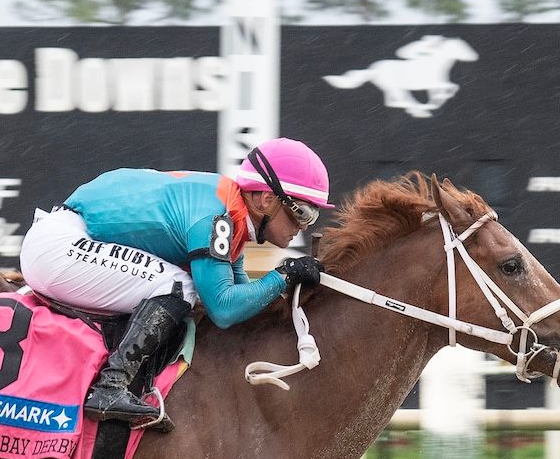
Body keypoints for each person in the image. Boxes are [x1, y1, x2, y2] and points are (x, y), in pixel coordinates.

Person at [18, 137, 332, 430]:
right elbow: (223, 308)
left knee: (179, 286)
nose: (301, 227)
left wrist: (283, 284)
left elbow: (243, 302)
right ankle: (110, 386)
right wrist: (284, 275)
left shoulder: (230, 214)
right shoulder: (216, 218)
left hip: (63, 241)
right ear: (265, 199)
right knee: (180, 287)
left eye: (312, 216)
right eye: (301, 212)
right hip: (59, 245)